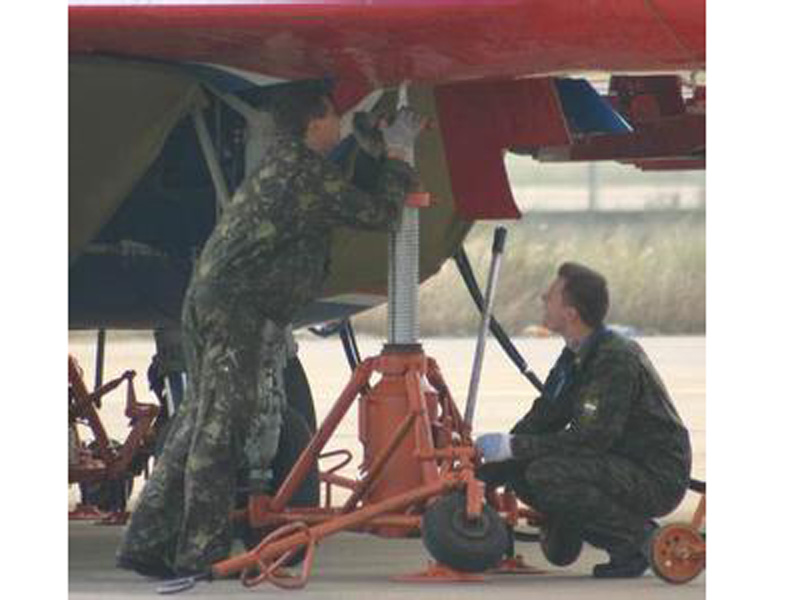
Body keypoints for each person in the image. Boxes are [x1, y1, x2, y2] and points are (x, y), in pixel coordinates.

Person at [117, 81, 425, 578]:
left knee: (199, 422)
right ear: (313, 123)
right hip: (236, 311)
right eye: (333, 118)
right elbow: (381, 213)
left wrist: (371, 153)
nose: (337, 127)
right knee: (221, 430)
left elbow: (344, 197)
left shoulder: (292, 169)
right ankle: (202, 552)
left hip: (217, 304)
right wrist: (395, 154)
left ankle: (148, 541)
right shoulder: (299, 175)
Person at [475, 262, 692, 578]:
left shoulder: (614, 358)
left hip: (655, 474)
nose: (542, 299)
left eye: (550, 296)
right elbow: (545, 416)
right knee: (520, 470)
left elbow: (591, 439)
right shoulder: (575, 355)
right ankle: (588, 532)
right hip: (616, 461)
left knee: (547, 474)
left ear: (571, 312)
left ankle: (638, 541)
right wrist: (485, 467)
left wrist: (514, 447)